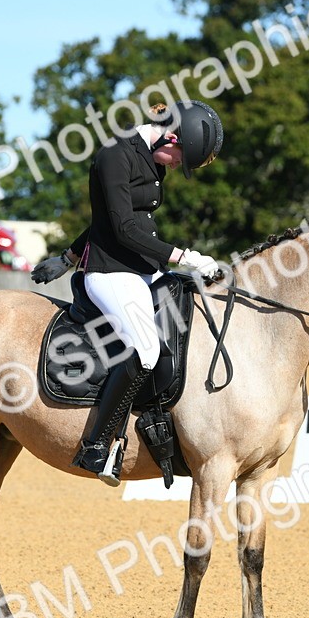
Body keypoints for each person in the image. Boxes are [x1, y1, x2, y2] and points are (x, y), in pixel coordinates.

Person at [31, 100, 224, 485]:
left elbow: (109, 219)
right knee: (147, 349)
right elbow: (121, 229)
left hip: (143, 272)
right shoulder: (114, 155)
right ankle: (97, 447)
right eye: (177, 158)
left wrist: (67, 255)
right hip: (110, 274)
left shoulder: (151, 159)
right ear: (171, 136)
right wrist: (183, 256)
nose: (172, 166)